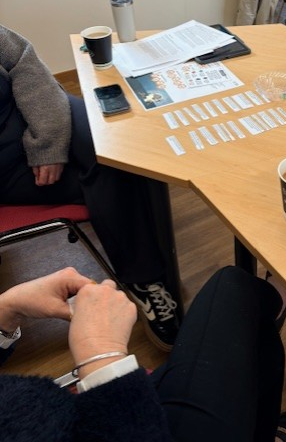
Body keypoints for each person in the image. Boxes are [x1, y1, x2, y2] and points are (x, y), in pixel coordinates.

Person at [0, 24, 179, 351]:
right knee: (116, 181)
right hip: (6, 168)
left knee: (123, 151)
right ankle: (145, 279)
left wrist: (47, 142)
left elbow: (26, 64)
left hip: (35, 118)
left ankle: (154, 268)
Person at [0, 266, 286, 442]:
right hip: (128, 426)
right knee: (234, 290)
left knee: (246, 325)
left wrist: (6, 309)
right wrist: (99, 351)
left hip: (69, 410)